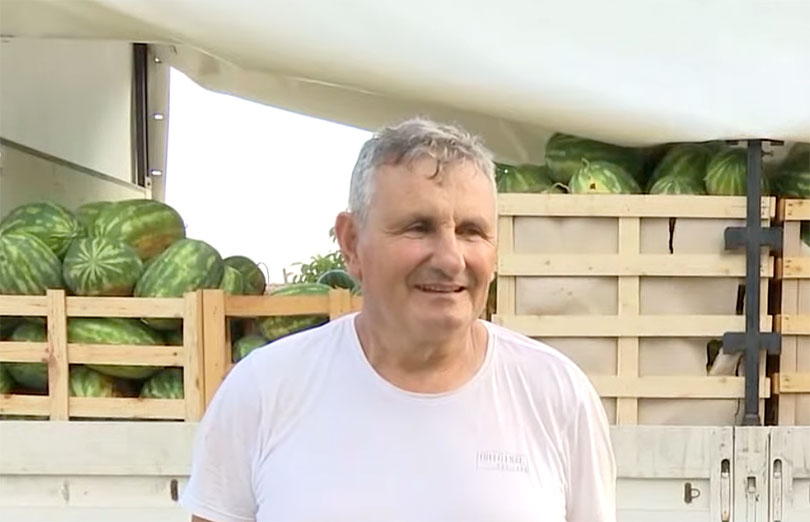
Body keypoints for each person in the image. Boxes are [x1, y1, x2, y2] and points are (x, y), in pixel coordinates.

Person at [180, 117, 616, 522]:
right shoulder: (263, 391)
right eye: (418, 227)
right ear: (351, 242)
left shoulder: (557, 395)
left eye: (471, 231)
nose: (451, 259)